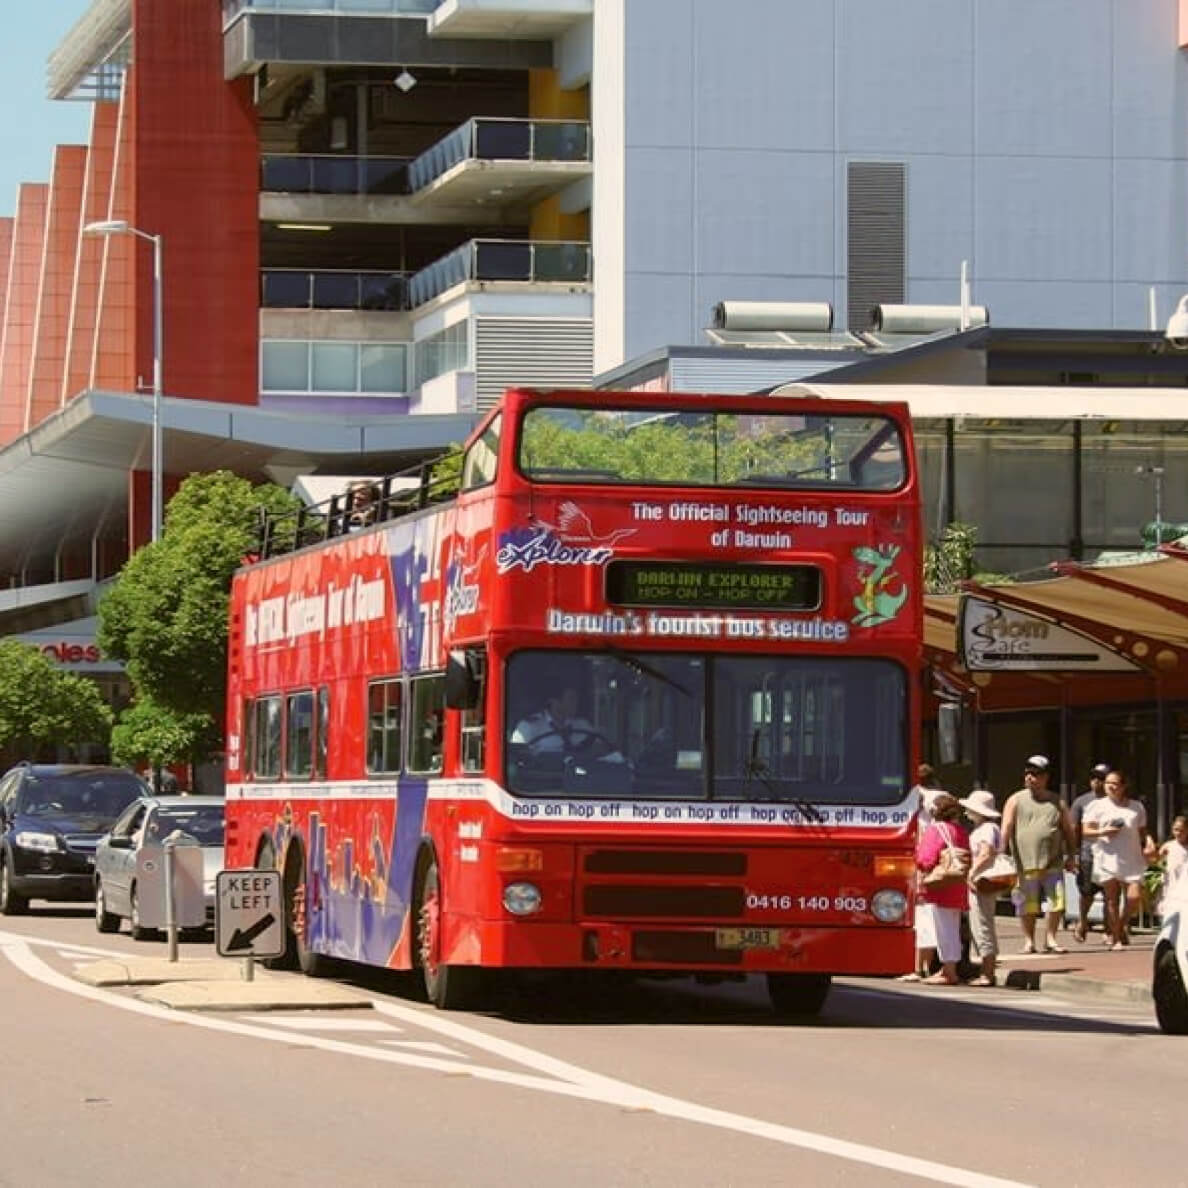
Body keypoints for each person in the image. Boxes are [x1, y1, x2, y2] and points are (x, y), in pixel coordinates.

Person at [1001, 754, 1077, 955]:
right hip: (1025, 863)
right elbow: (1007, 826)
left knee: (1056, 902)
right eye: (1027, 774)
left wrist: (1071, 855)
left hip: (1052, 861)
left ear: (1045, 778)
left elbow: (1069, 830)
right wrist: (1000, 853)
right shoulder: (1015, 799)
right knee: (1027, 905)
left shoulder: (1057, 801)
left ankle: (1051, 939)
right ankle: (1028, 941)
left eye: (1035, 774)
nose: (1030, 778)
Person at [1082, 769, 1157, 950]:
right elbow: (1085, 831)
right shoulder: (1097, 806)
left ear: (1124, 786)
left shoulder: (1136, 807)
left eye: (1115, 783)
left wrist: (1149, 842)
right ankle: (1115, 937)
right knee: (1112, 900)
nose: (1111, 787)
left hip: (1131, 856)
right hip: (1107, 855)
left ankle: (1122, 924)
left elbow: (1142, 831)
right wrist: (1103, 831)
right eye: (1108, 783)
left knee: (1134, 897)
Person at [911, 792, 971, 985]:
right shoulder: (960, 831)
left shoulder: (935, 830)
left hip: (938, 887)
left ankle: (948, 971)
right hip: (957, 886)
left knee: (941, 930)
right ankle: (947, 969)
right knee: (951, 930)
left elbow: (925, 859)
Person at [961, 789, 1002, 987]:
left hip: (981, 880)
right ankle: (987, 970)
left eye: (970, 809)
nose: (967, 812)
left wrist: (972, 872)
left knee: (982, 925)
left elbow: (987, 852)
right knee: (982, 924)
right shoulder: (989, 828)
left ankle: (987, 973)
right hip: (983, 880)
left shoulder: (986, 829)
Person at [1069, 762, 1110, 942]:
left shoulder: (1116, 802)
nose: (1096, 782)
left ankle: (1109, 929)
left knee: (1110, 894)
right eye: (1093, 778)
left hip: (1110, 853)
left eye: (1101, 778)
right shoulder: (1082, 802)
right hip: (1088, 853)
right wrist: (1073, 854)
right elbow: (1074, 829)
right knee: (1087, 892)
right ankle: (1082, 921)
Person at [511, 687, 597, 753]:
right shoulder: (529, 726)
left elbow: (600, 750)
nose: (576, 702)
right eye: (571, 699)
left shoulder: (582, 725)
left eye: (576, 699)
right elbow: (517, 757)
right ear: (554, 702)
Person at [1160, 815, 1188, 907]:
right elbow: (1158, 861)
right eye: (1176, 830)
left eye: (1182, 830)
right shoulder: (1168, 846)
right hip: (1171, 883)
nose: (1178, 833)